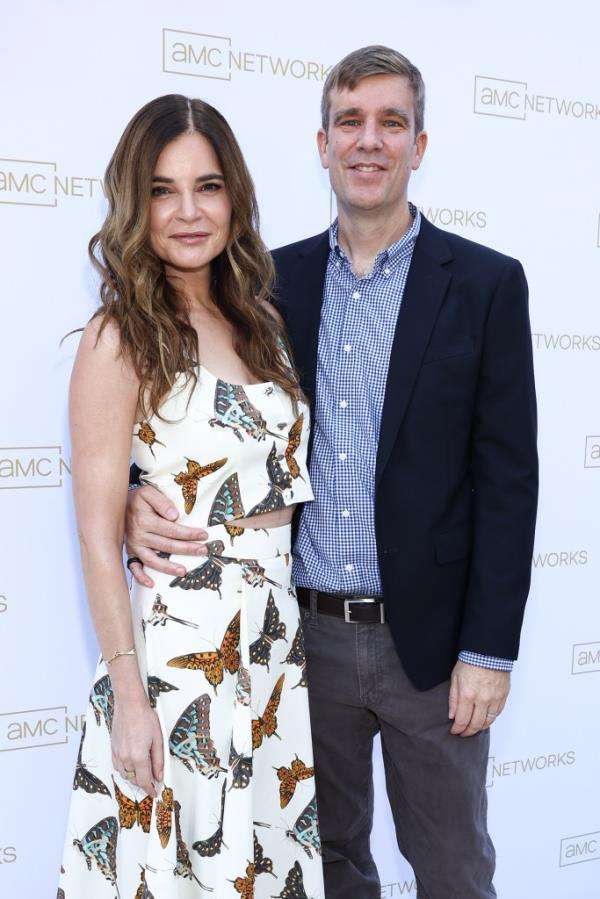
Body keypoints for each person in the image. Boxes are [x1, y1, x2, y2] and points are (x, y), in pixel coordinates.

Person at [126, 47, 538, 899]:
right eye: (350, 121)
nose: (369, 141)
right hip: (298, 644)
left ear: (419, 145)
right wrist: (134, 495)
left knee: (455, 869)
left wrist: (488, 650)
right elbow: (200, 414)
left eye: (392, 122)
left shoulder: (487, 285)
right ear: (322, 142)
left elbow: (508, 481)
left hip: (430, 650)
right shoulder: (266, 283)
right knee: (326, 868)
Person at [58, 94, 324, 899]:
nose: (186, 211)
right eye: (163, 190)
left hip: (273, 645)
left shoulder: (260, 321)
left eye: (206, 186)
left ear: (234, 196)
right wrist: (129, 695)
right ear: (136, 203)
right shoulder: (119, 336)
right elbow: (98, 536)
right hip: (180, 657)